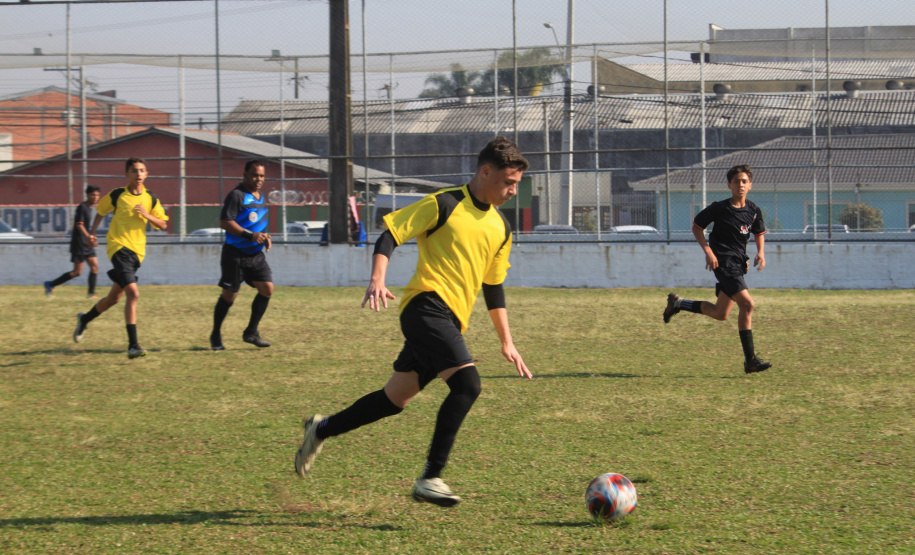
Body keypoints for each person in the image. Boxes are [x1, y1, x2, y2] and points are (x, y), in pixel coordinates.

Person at [294, 136, 533, 507]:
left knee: (394, 399)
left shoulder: (501, 227)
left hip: (451, 321)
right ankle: (430, 477)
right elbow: (391, 234)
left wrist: (507, 341)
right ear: (486, 172)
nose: (513, 191)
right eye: (508, 182)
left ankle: (321, 428)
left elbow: (493, 286)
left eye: (516, 183)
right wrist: (377, 278)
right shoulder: (444, 203)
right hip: (425, 307)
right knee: (467, 386)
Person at [663, 164, 772, 374]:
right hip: (723, 263)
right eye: (736, 181)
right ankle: (750, 360)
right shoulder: (720, 208)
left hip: (738, 264)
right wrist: (709, 252)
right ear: (729, 184)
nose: (740, 184)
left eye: (744, 181)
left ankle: (678, 303)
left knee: (720, 313)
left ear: (750, 184)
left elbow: (759, 232)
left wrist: (761, 253)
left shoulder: (753, 209)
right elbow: (696, 227)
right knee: (748, 305)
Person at [72, 158, 168, 359]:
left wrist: (147, 215)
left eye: (142, 170)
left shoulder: (150, 197)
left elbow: (163, 224)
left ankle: (85, 319)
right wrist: (92, 234)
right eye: (134, 171)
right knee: (133, 294)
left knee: (114, 298)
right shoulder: (117, 195)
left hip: (137, 253)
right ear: (127, 174)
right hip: (118, 248)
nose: (139, 174)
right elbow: (100, 211)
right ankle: (133, 345)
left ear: (146, 174)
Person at [210, 159, 273, 350]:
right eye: (255, 175)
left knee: (267, 289)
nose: (258, 179)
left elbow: (256, 223)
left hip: (255, 255)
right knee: (229, 296)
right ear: (245, 174)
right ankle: (215, 334)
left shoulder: (260, 197)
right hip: (235, 255)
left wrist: (265, 237)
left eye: (261, 176)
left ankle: (251, 332)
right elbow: (225, 222)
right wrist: (249, 235)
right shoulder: (236, 196)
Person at [44, 185, 102, 298]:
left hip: (87, 244)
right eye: (93, 195)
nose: (95, 197)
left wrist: (91, 237)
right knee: (77, 272)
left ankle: (91, 294)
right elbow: (79, 225)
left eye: (97, 195)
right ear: (87, 195)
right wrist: (88, 237)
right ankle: (50, 284)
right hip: (79, 244)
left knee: (95, 266)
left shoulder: (90, 209)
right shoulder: (82, 207)